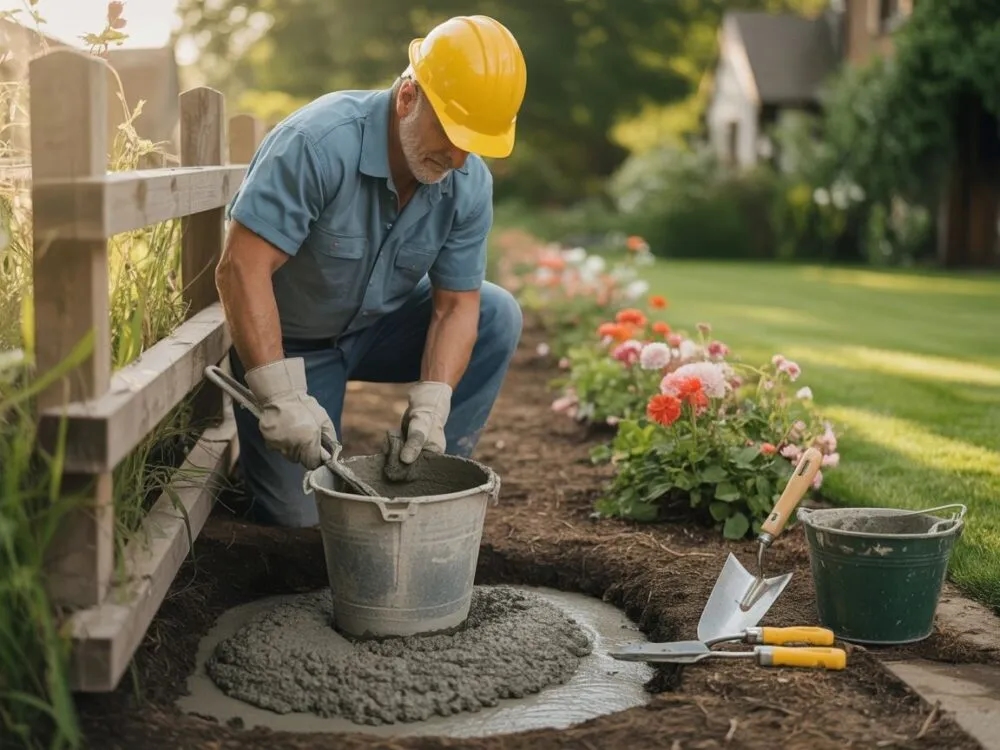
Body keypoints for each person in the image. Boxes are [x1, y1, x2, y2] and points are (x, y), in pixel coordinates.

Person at [214, 15, 528, 527]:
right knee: (300, 519)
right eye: (450, 132)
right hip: (297, 343)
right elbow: (240, 269)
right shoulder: (315, 143)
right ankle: (280, 451)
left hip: (381, 328)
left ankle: (434, 472)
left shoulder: (467, 180)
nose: (458, 155)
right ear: (408, 97)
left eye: (474, 142)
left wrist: (434, 403)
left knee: (497, 311)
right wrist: (280, 394)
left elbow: (456, 305)